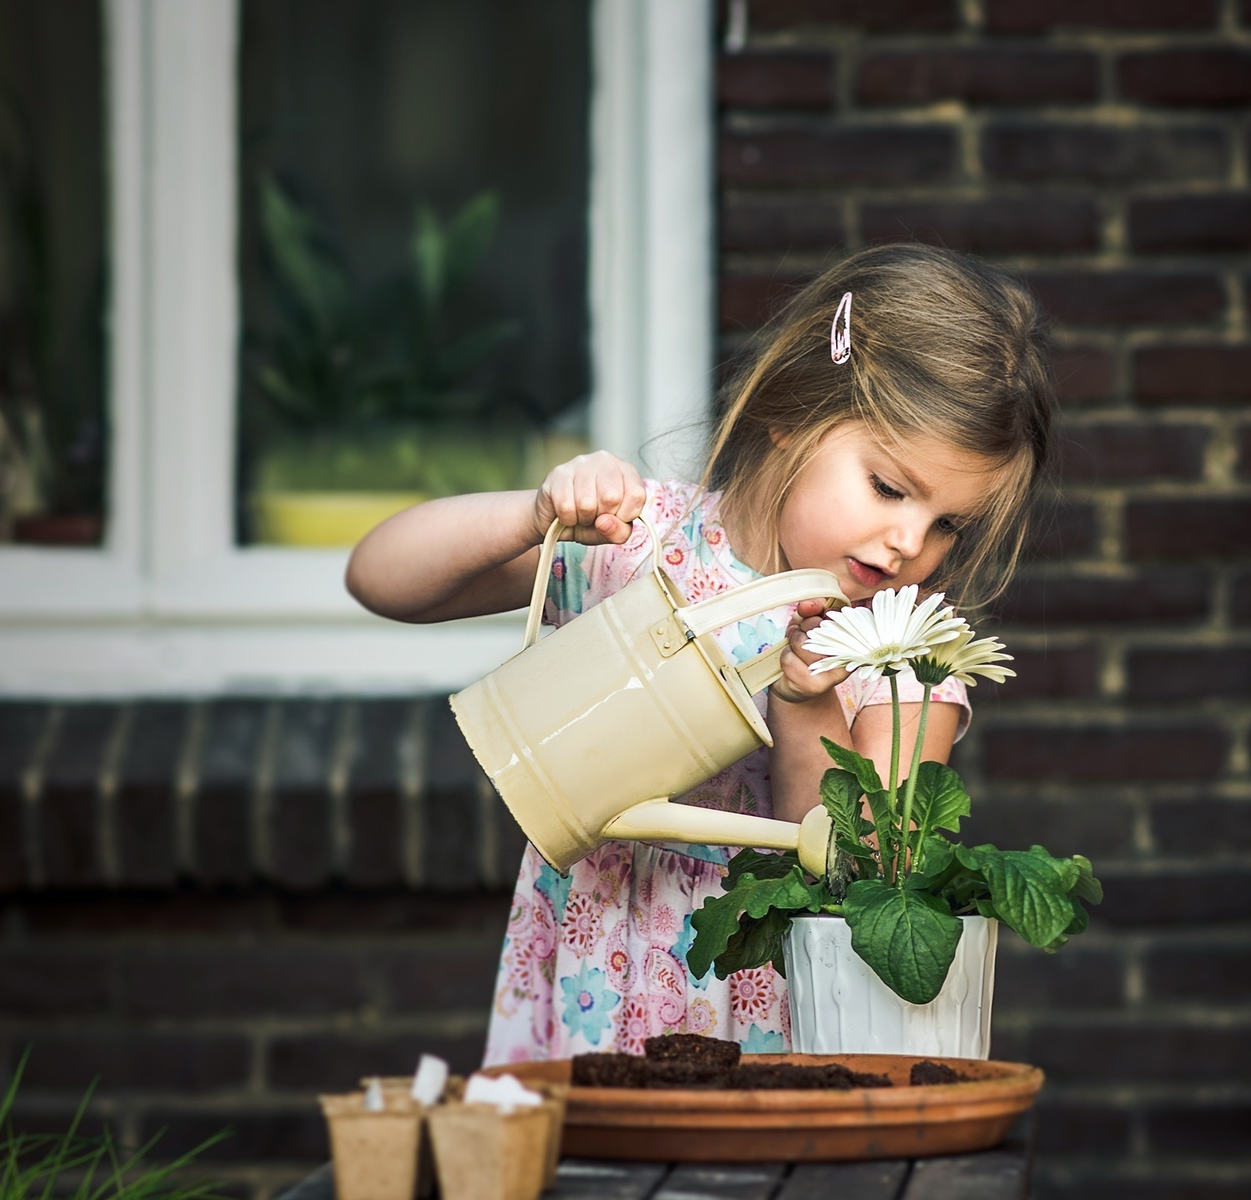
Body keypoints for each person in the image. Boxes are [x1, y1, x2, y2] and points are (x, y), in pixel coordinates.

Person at [346, 243, 1056, 1064]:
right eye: (890, 488)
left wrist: (806, 705)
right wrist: (532, 513)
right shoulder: (636, 543)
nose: (908, 543)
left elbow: (859, 883)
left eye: (948, 525)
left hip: (765, 1004)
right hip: (593, 971)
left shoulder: (905, 653)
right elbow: (383, 579)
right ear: (788, 416)